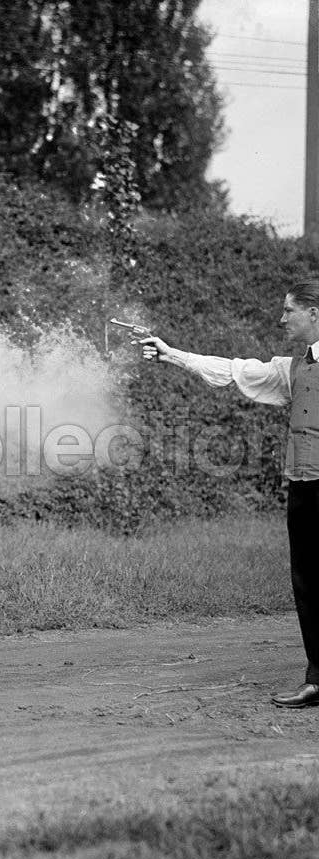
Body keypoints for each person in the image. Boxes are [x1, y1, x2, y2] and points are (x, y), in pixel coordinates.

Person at [141, 279, 319, 709]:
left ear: (314, 313)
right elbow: (236, 370)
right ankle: (318, 678)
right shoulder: (292, 367)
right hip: (303, 487)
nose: (281, 319)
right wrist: (172, 354)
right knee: (308, 583)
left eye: (288, 310)